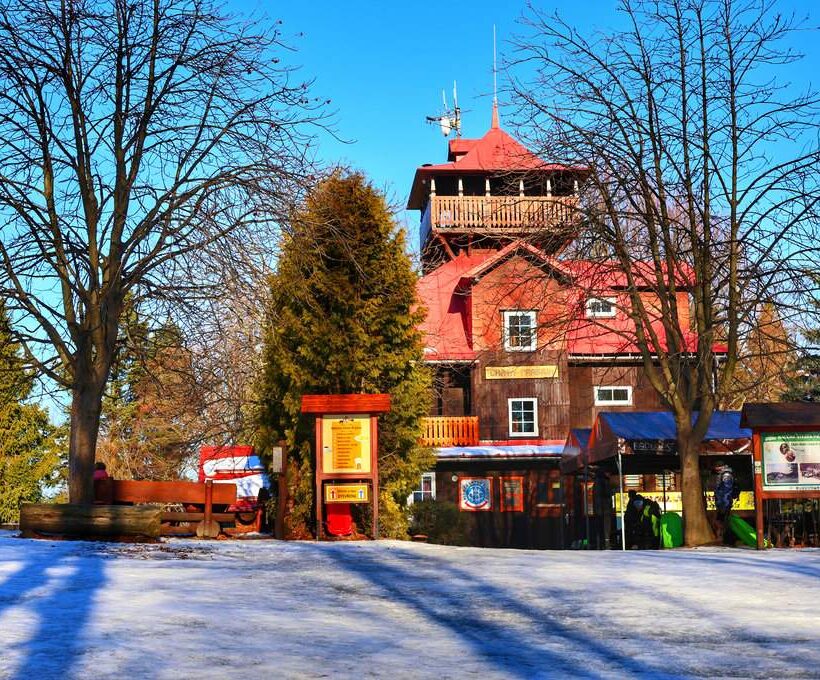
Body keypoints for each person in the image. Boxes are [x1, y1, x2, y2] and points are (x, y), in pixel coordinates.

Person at [713, 461, 740, 545]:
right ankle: (726, 539)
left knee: (724, 521)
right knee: (723, 521)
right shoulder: (723, 474)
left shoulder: (726, 475)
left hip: (725, 502)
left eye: (716, 467)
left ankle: (728, 540)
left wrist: (723, 502)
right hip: (723, 501)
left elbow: (726, 490)